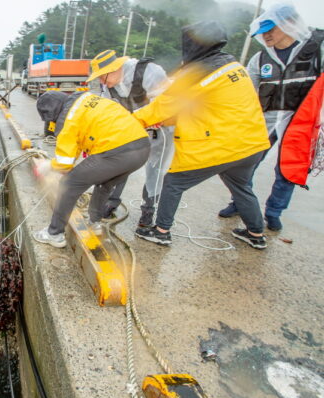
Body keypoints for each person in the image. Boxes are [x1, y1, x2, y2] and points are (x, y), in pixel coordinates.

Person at [133, 20, 271, 249]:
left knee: (173, 183)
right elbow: (212, 106)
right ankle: (256, 234)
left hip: (221, 146)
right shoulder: (233, 65)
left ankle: (161, 231)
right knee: (241, 187)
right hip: (252, 144)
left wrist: (129, 120)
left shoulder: (196, 73)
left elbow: (160, 108)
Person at [218, 3, 324, 231]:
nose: (265, 36)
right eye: (262, 31)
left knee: (287, 169)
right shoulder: (260, 58)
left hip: (299, 122)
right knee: (246, 164)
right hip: (265, 118)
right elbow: (245, 91)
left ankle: (274, 213)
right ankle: (239, 202)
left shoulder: (316, 51)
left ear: (288, 25)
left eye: (270, 29)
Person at [33, 89, 150, 248]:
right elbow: (75, 146)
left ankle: (54, 234)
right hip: (141, 148)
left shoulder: (67, 119)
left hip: (116, 151)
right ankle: (94, 223)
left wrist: (47, 166)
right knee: (104, 183)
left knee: (69, 184)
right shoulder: (85, 101)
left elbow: (64, 164)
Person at [90, 50, 175, 226]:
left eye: (102, 77)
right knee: (120, 163)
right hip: (132, 128)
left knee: (155, 169)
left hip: (159, 129)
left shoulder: (148, 72)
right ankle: (111, 202)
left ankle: (149, 210)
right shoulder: (108, 86)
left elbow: (166, 102)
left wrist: (144, 118)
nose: (101, 82)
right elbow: (108, 109)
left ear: (114, 69)